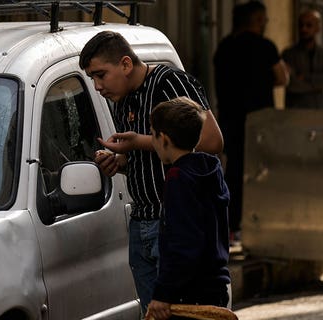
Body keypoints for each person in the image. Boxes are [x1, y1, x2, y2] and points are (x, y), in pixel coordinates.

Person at [79, 30, 224, 314]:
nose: (97, 86)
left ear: (125, 64)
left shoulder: (170, 83)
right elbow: (150, 158)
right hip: (141, 223)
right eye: (92, 78)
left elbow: (211, 142)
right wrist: (119, 163)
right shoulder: (121, 100)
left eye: (101, 75)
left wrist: (139, 142)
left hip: (170, 223)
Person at [145, 97, 231, 320]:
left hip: (190, 292)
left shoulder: (178, 178)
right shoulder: (211, 169)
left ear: (163, 139)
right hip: (217, 285)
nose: (151, 141)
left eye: (152, 133)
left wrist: (163, 293)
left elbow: (184, 241)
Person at [213, 0, 288, 246]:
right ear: (257, 21)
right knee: (262, 172)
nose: (266, 24)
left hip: (230, 121)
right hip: (260, 122)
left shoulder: (224, 47)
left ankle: (231, 226)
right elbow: (281, 78)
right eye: (264, 20)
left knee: (233, 171)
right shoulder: (265, 47)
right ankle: (259, 226)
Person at [282, 9, 323, 109]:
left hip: (319, 111)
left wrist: (304, 77)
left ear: (318, 28)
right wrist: (316, 84)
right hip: (295, 111)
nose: (303, 29)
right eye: (301, 25)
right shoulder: (288, 54)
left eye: (309, 25)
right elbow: (292, 85)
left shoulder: (322, 54)